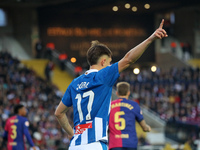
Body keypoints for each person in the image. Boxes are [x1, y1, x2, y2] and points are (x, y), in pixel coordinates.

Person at [54, 19, 167, 150]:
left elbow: (59, 113)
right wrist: (151, 38)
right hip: (95, 144)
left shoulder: (74, 83)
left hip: (75, 146)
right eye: (109, 62)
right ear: (103, 61)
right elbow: (129, 59)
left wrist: (71, 133)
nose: (109, 65)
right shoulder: (103, 76)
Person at [108, 82, 151, 150]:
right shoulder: (134, 105)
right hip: (131, 143)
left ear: (117, 93)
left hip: (115, 143)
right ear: (128, 93)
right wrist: (148, 128)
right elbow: (144, 127)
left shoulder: (109, 106)